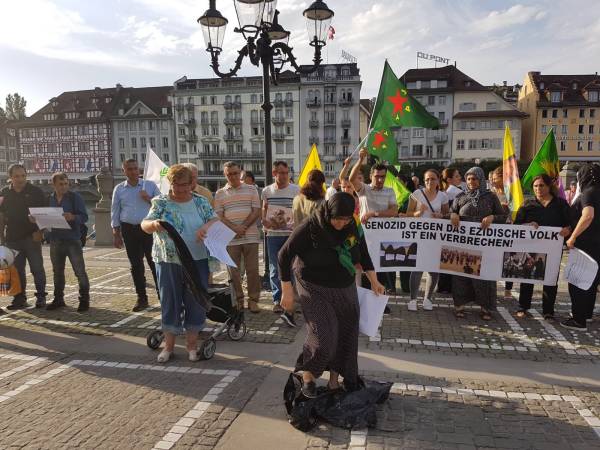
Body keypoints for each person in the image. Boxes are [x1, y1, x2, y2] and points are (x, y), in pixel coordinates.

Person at [278, 193, 385, 398]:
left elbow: (363, 254)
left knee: (346, 333)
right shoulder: (311, 227)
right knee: (324, 335)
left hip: (344, 284)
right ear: (328, 212)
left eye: (345, 219)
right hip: (313, 284)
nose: (341, 223)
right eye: (337, 218)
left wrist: (374, 281)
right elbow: (284, 255)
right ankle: (307, 375)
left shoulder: (353, 226)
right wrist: (286, 290)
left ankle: (334, 382)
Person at [141, 164, 219, 362]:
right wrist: (154, 224)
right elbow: (144, 224)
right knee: (170, 301)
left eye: (185, 185)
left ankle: (192, 346)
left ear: (192, 183)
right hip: (169, 259)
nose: (181, 189)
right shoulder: (160, 202)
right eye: (176, 185)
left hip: (197, 259)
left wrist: (206, 227)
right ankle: (168, 347)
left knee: (195, 301)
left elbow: (214, 220)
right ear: (170, 183)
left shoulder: (201, 201)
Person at [450, 167, 507, 320]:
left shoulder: (490, 197)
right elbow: (451, 212)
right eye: (468, 179)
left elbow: (503, 217)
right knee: (461, 275)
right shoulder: (460, 197)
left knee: (484, 276)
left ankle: (485, 308)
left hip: (485, 246)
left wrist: (492, 218)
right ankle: (459, 306)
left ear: (481, 179)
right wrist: (453, 214)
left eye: (474, 179)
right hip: (464, 245)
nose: (471, 182)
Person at [513, 174, 571, 320]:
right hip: (531, 248)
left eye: (541, 185)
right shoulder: (527, 204)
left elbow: (571, 222)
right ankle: (523, 307)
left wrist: (568, 229)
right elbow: (516, 225)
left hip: (553, 249)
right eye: (535, 186)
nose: (538, 188)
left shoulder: (561, 204)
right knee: (527, 277)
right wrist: (527, 225)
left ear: (549, 186)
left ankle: (548, 311)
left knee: (551, 279)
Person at [111, 159, 161, 311]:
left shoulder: (149, 185)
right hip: (129, 229)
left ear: (139, 170)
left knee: (154, 263)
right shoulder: (119, 189)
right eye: (129, 169)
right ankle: (142, 298)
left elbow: (161, 206)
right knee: (135, 265)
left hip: (148, 228)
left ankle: (162, 295)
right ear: (124, 171)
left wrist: (148, 199)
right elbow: (115, 210)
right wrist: (116, 232)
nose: (133, 171)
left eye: (135, 168)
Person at [350, 148, 398, 299]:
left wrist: (374, 214)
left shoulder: (389, 191)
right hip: (365, 238)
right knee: (366, 271)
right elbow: (351, 178)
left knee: (381, 273)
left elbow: (394, 211)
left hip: (383, 238)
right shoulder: (364, 189)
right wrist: (360, 160)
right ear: (370, 176)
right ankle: (365, 304)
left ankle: (380, 304)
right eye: (377, 176)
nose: (380, 180)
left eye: (383, 177)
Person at [214, 161, 261, 313]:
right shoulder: (220, 193)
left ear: (240, 172)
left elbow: (256, 211)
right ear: (225, 175)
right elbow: (219, 216)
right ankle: (238, 300)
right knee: (233, 271)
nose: (233, 176)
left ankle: (253, 300)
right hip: (230, 238)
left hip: (250, 236)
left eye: (235, 173)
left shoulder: (251, 189)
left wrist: (243, 227)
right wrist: (235, 228)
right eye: (229, 174)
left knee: (252, 270)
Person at [0, 164, 47, 310]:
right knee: (16, 271)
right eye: (17, 176)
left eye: (23, 176)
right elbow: (1, 215)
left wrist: (41, 232)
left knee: (37, 269)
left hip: (32, 237)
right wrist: (1, 237)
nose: (20, 179)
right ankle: (19, 299)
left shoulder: (36, 192)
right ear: (10, 177)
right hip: (12, 238)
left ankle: (41, 297)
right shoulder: (4, 193)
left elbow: (45, 213)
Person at [45, 172, 90, 312]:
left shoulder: (75, 197)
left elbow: (85, 217)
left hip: (72, 240)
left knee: (79, 271)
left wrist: (73, 217)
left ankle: (84, 300)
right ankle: (58, 299)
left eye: (66, 184)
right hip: (55, 239)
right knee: (57, 272)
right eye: (61, 184)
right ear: (53, 185)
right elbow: (46, 217)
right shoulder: (49, 198)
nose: (64, 187)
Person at [563, 163, 600, 330]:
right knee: (592, 280)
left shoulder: (588, 192)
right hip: (597, 244)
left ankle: (578, 319)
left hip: (586, 244)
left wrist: (573, 237)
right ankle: (587, 314)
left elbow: (588, 216)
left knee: (578, 280)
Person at [405, 169, 449, 311]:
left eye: (433, 179)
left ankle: (428, 298)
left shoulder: (443, 196)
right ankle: (413, 299)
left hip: (436, 237)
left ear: (438, 180)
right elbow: (408, 214)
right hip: (419, 236)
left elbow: (447, 215)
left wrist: (441, 216)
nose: (430, 181)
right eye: (427, 179)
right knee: (417, 268)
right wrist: (417, 213)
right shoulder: (417, 194)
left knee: (433, 269)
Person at [262, 161, 300, 313]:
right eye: (281, 173)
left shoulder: (296, 190)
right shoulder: (266, 191)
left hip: (291, 235)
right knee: (274, 268)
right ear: (274, 173)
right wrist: (264, 220)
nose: (284, 176)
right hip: (273, 236)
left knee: (292, 267)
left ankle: (291, 299)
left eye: (286, 173)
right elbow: (264, 209)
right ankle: (277, 300)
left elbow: (299, 210)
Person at [438, 168, 463, 294]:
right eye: (457, 176)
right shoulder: (454, 193)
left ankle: (444, 286)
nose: (460, 178)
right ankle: (448, 286)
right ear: (449, 180)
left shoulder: (444, 193)